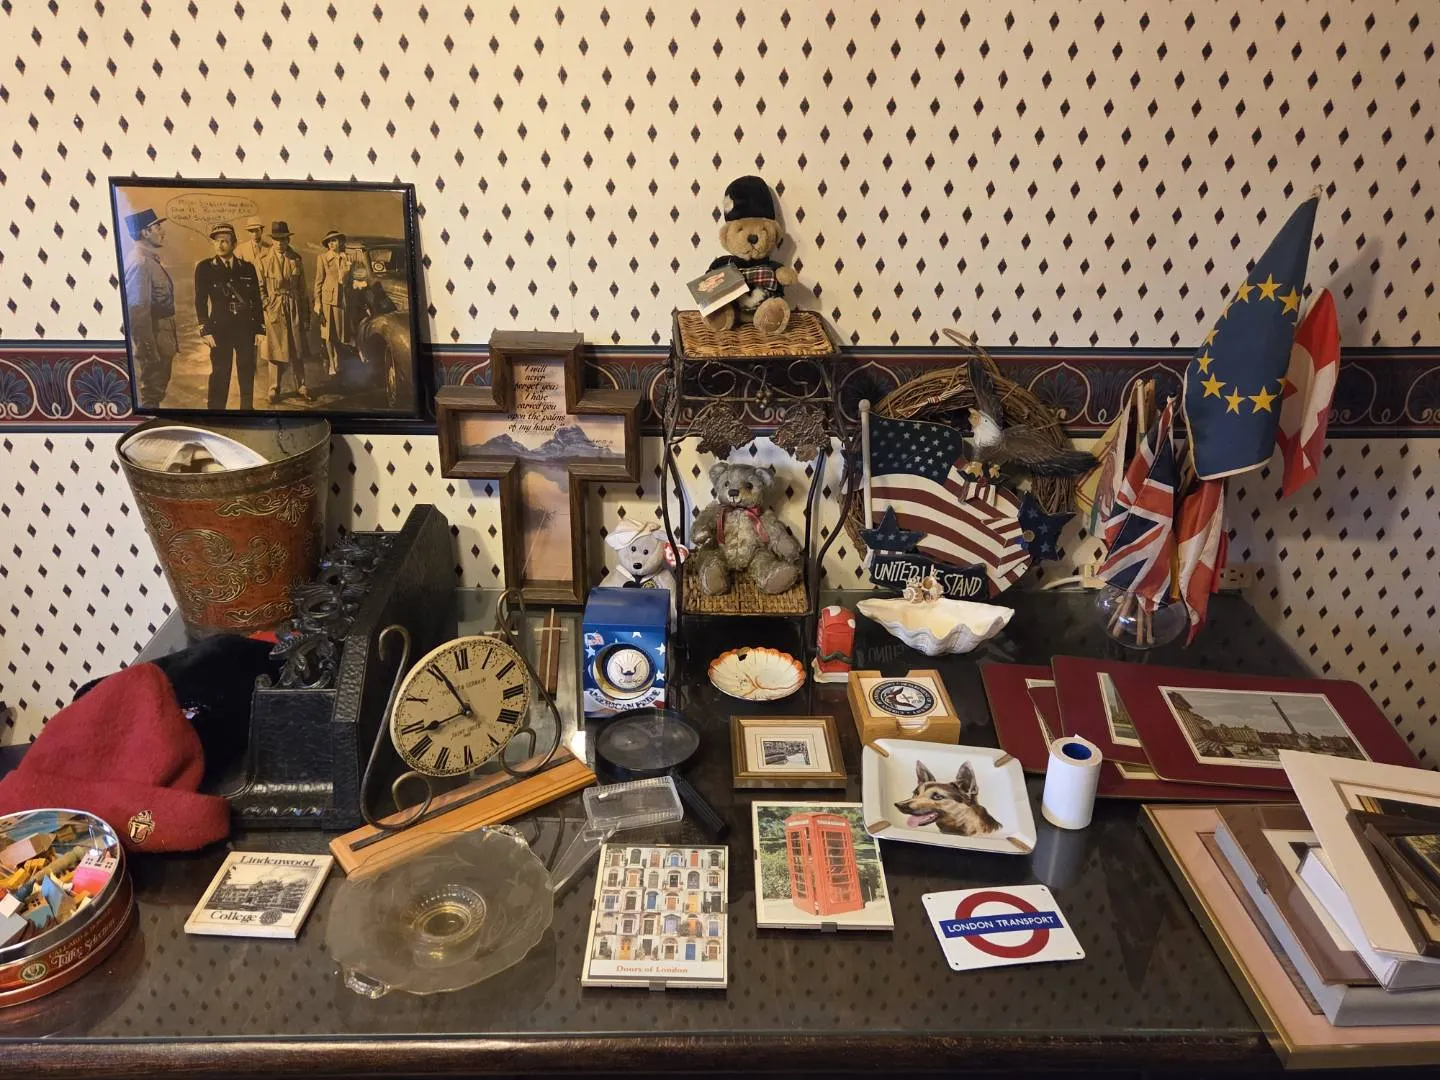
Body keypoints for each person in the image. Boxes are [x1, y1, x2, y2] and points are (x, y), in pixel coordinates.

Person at [194, 222, 264, 410]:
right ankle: (216, 414)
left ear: (234, 244)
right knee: (220, 373)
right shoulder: (205, 268)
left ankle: (247, 412)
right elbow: (200, 302)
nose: (220, 245)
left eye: (225, 241)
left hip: (245, 328)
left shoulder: (247, 268)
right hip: (219, 329)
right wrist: (205, 329)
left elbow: (256, 300)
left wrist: (260, 328)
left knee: (247, 370)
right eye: (216, 241)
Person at [122, 208, 177, 407]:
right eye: (158, 227)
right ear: (145, 232)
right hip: (154, 343)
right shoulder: (141, 262)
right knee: (151, 396)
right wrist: (148, 352)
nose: (163, 232)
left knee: (155, 393)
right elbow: (137, 312)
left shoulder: (148, 259)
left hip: (160, 339)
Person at [256, 221, 313, 404]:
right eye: (276, 239)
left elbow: (303, 290)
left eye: (283, 239)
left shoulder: (296, 259)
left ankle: (301, 385)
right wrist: (266, 304)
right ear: (272, 240)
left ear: (288, 240)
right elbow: (259, 288)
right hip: (274, 308)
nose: (280, 243)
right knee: (274, 350)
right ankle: (274, 388)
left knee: (297, 347)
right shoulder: (263, 260)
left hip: (293, 306)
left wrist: (305, 315)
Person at [313, 229, 350, 376]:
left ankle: (337, 358)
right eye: (329, 241)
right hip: (327, 300)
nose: (332, 244)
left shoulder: (346, 257)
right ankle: (332, 364)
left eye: (334, 240)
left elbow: (350, 278)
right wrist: (317, 302)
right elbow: (318, 282)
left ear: (340, 242)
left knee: (340, 334)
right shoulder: (322, 258)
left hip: (342, 300)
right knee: (328, 333)